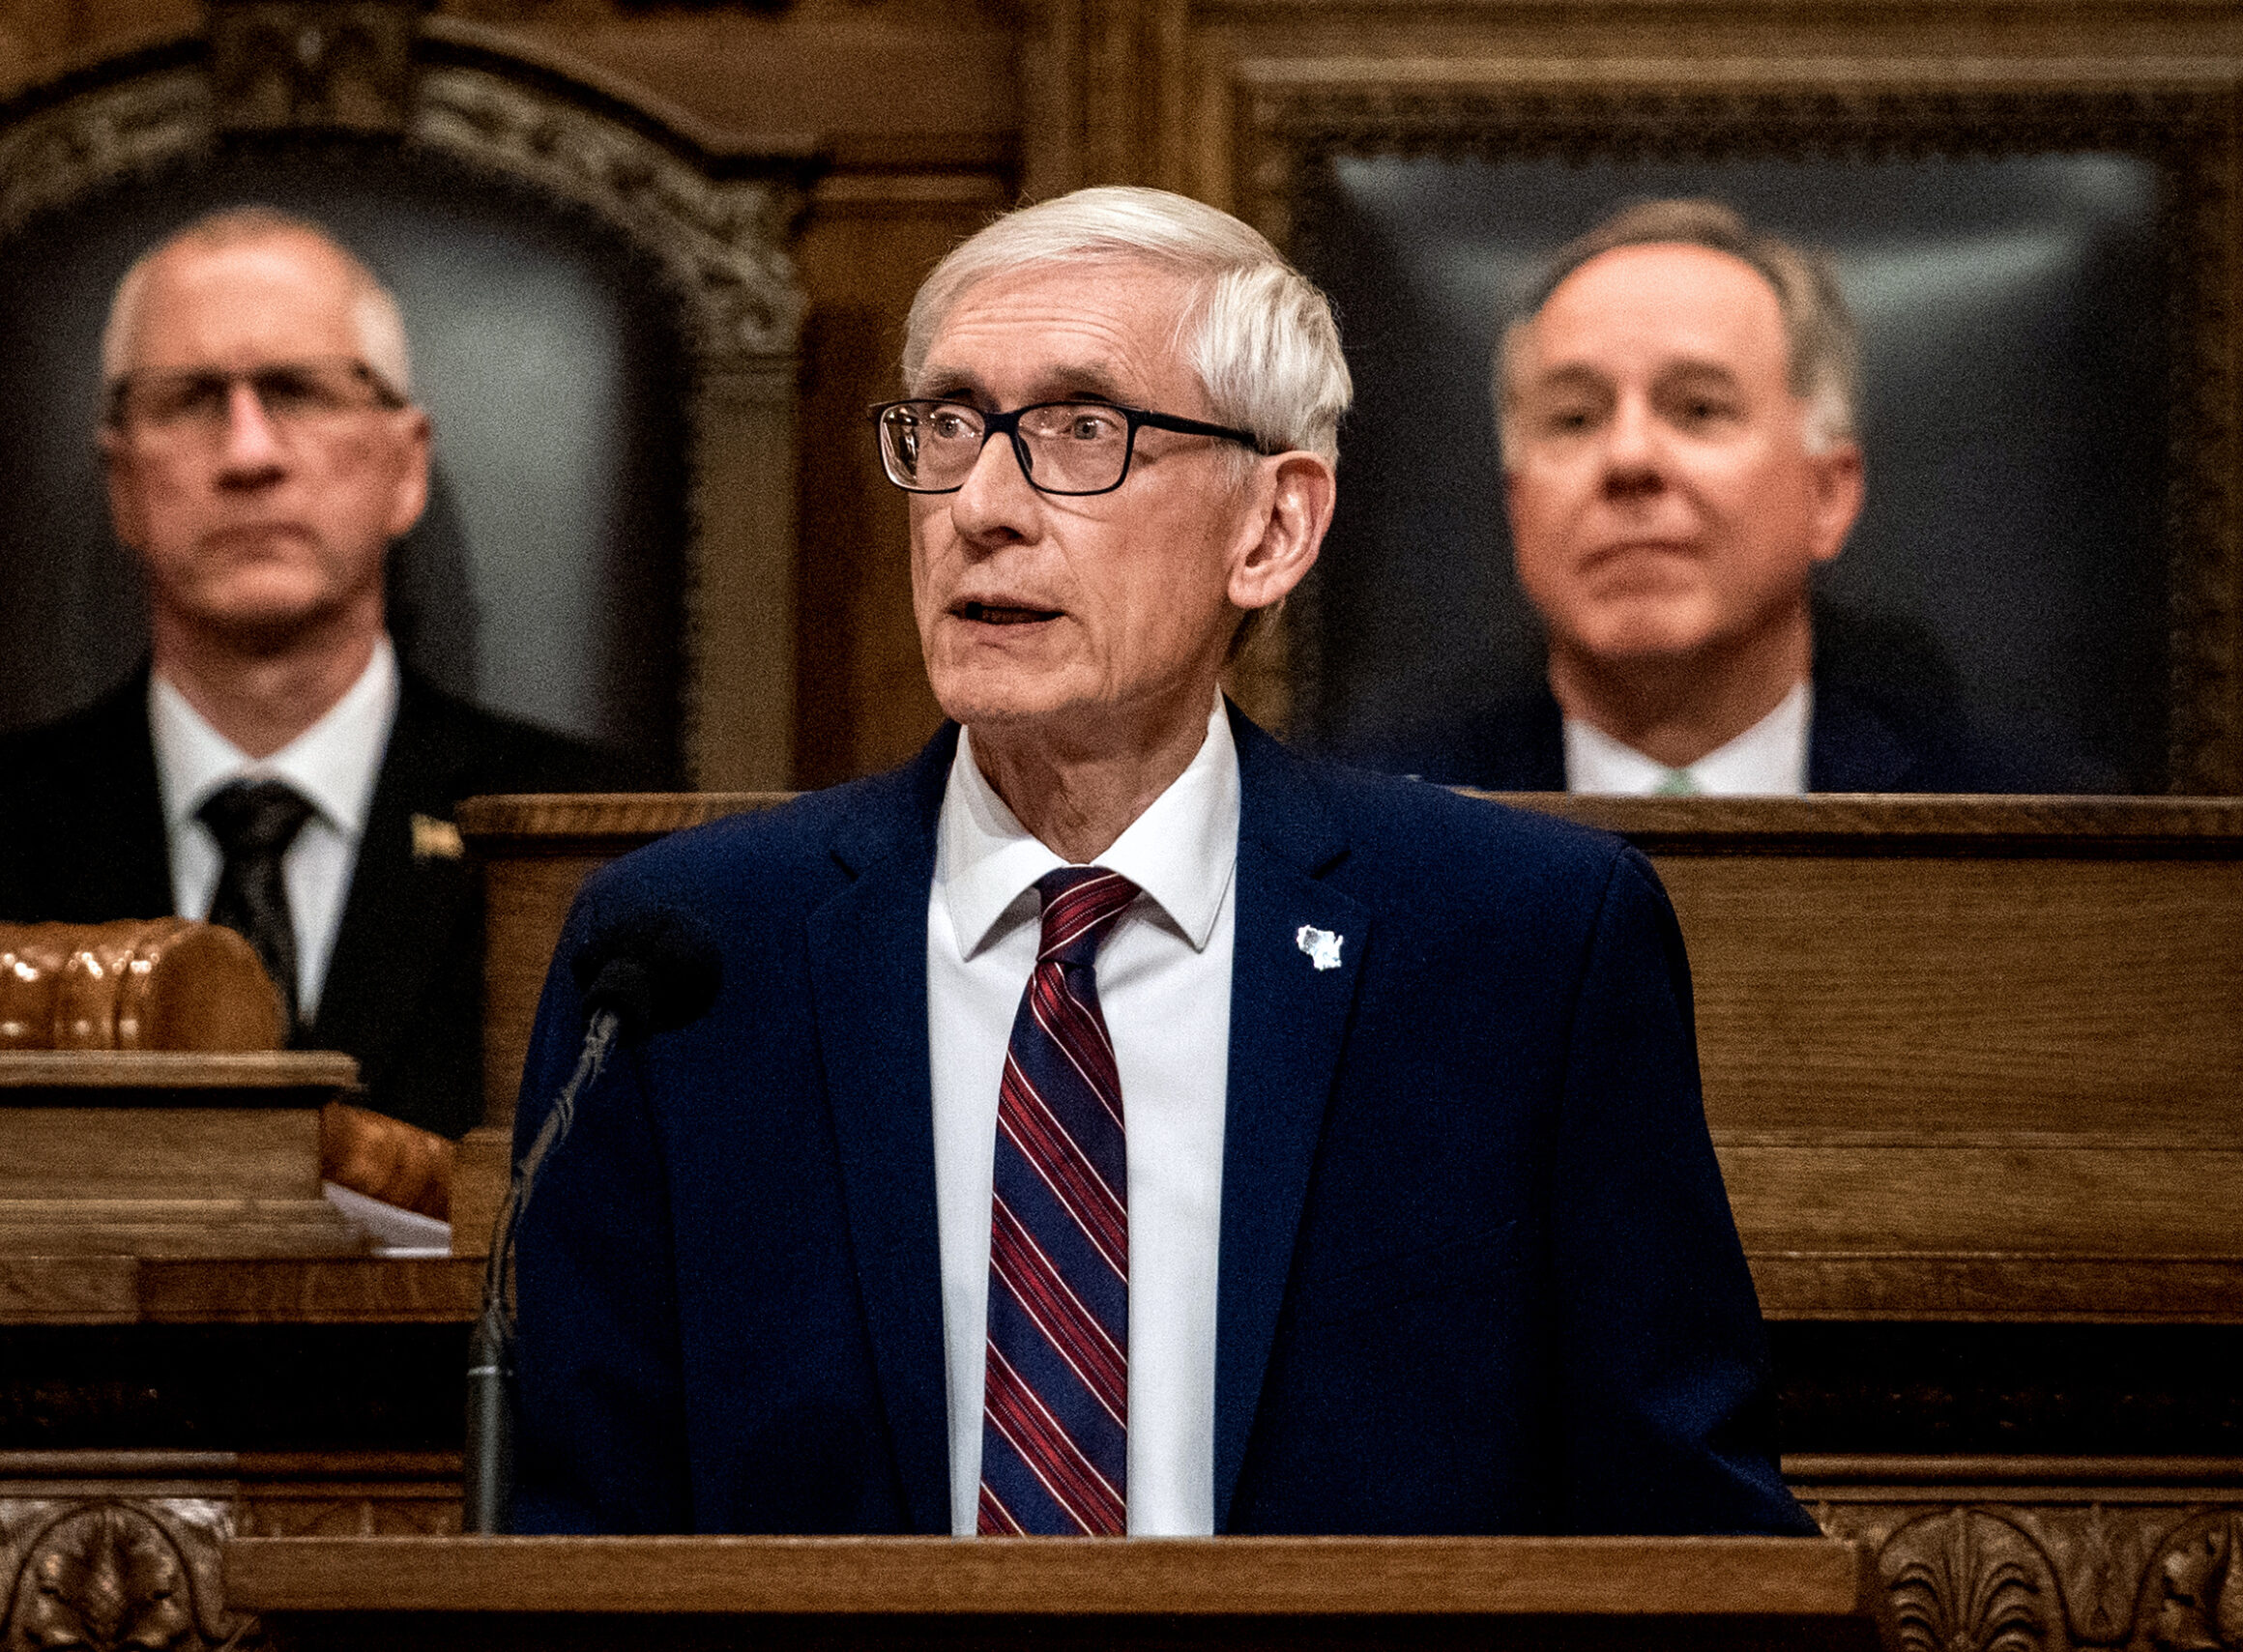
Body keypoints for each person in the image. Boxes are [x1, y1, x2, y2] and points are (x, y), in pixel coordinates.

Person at [509, 186, 1810, 1537]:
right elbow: (573, 1543)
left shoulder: (1522, 950)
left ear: (1274, 529)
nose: (984, 505)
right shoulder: (687, 959)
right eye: (949, 428)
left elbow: (1690, 1533)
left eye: (1083, 431)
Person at [0, 206, 637, 1138]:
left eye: (300, 390)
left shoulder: (587, 845)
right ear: (123, 484)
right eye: (187, 399)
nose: (249, 453)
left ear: (405, 466)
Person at [1375, 198, 2112, 795]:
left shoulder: (2024, 824)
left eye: (1698, 409)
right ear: (1516, 505)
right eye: (1575, 418)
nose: (1629, 457)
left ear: (1827, 493)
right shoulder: (1384, 826)